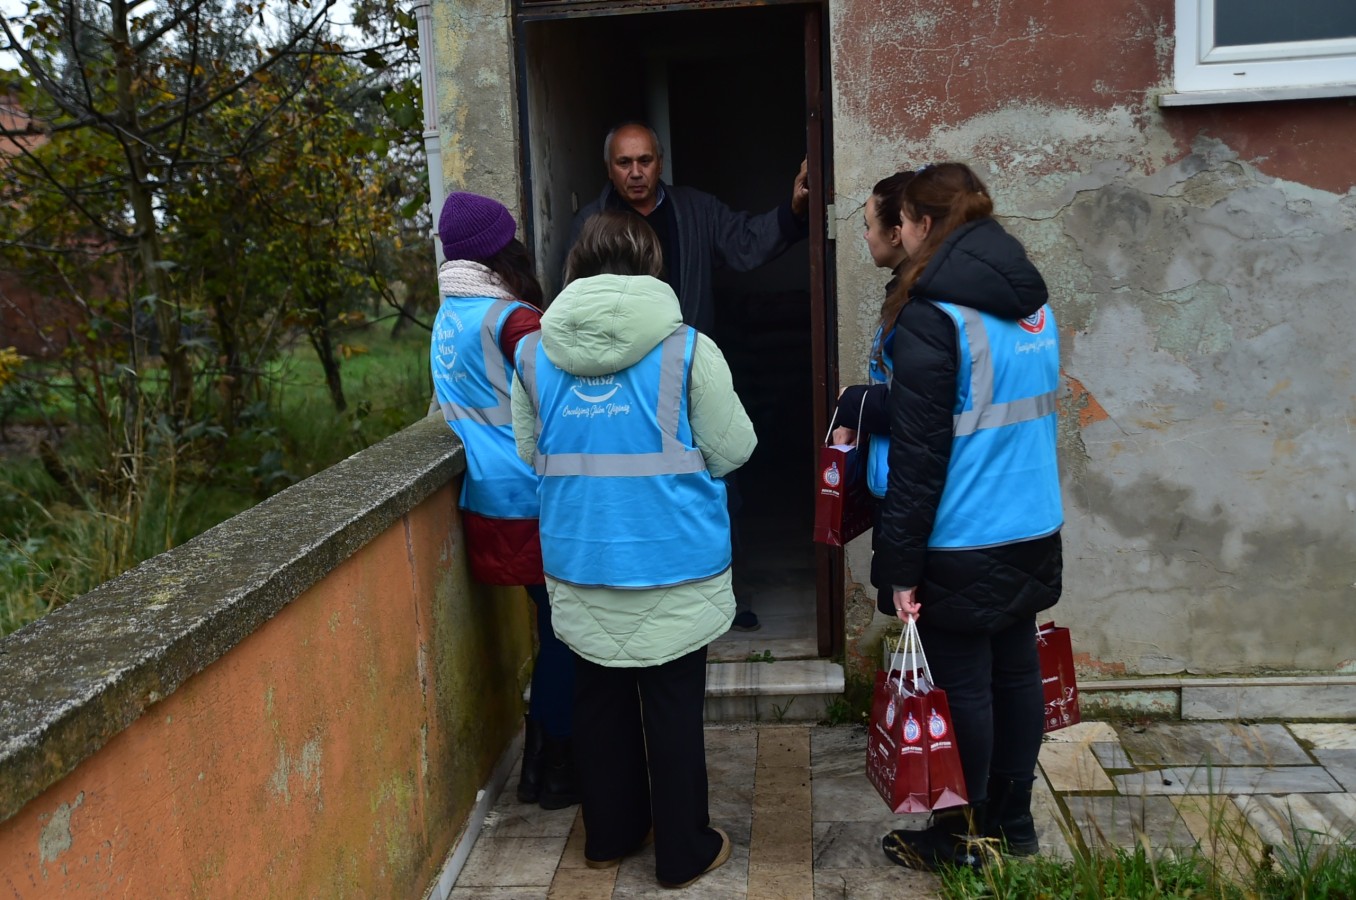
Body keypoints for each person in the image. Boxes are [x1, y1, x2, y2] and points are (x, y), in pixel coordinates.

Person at [512, 210, 756, 889]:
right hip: (674, 562)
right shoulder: (686, 350)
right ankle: (684, 851)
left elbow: (531, 453)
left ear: (575, 268)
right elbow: (735, 448)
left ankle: (610, 837)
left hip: (582, 559)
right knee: (673, 711)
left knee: (598, 703)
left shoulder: (533, 353)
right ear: (652, 266)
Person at [871, 163, 1063, 872]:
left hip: (962, 530)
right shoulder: (1035, 305)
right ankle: (1013, 824)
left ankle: (960, 839)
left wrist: (899, 568)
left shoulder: (934, 315)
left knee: (964, 691)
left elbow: (919, 460)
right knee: (1016, 674)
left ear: (920, 225)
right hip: (1033, 521)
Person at [570, 122, 810, 631]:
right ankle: (647, 604)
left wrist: (794, 211)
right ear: (608, 168)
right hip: (623, 383)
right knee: (641, 493)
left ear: (660, 161)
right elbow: (575, 301)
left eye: (645, 161)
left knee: (718, 481)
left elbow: (746, 243)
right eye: (623, 163)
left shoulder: (695, 209)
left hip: (687, 371)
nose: (636, 173)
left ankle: (725, 596)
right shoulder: (591, 222)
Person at [429, 191, 577, 811]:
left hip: (485, 500)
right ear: (503, 247)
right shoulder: (511, 319)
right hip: (535, 499)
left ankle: (540, 771)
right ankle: (554, 773)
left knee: (552, 631)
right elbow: (562, 404)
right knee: (567, 635)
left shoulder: (447, 319)